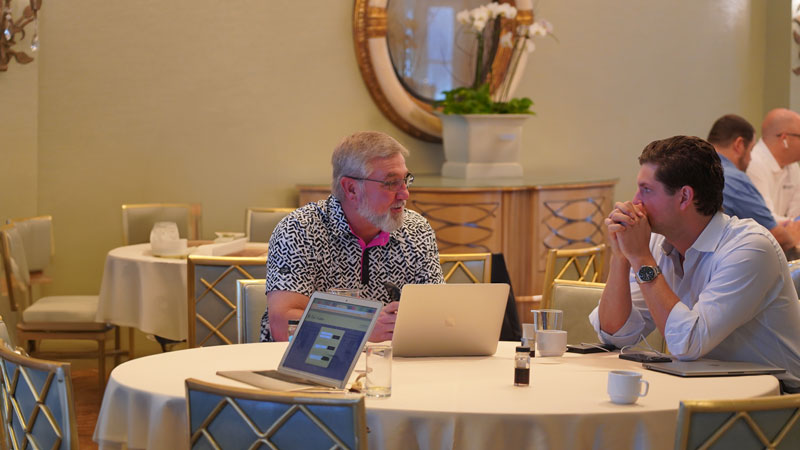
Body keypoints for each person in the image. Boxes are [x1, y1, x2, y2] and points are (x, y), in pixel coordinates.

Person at [589, 135, 800, 391]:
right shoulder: (656, 242)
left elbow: (687, 344)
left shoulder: (750, 248)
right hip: (704, 388)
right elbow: (615, 334)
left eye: (646, 190)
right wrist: (622, 257)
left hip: (779, 401)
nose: (635, 202)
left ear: (684, 197)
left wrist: (641, 258)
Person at [260, 131, 444, 343]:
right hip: (310, 365)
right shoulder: (300, 229)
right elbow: (284, 326)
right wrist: (362, 330)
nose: (405, 194)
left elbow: (434, 314)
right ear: (351, 188)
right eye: (391, 183)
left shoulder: (416, 230)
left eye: (406, 180)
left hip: (394, 364)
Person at [706, 114, 800, 252]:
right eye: (750, 150)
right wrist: (792, 236)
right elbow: (776, 236)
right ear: (739, 145)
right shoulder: (733, 178)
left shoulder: (692, 169)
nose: (750, 159)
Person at [746, 108, 800, 223]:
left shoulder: (793, 166)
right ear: (784, 139)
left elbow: (796, 215)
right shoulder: (753, 162)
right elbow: (765, 219)